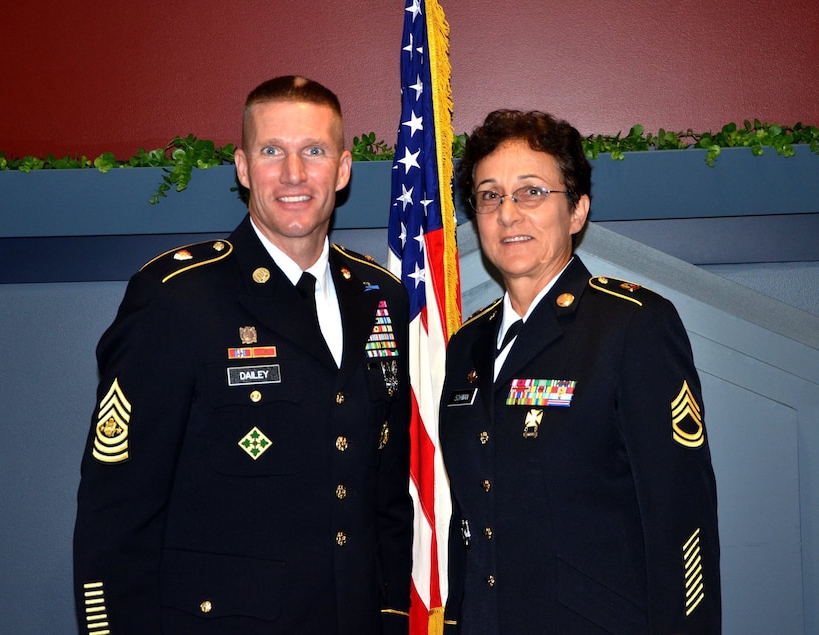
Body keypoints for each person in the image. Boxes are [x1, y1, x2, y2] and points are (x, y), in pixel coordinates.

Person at [73, 76, 413, 635]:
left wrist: (391, 614)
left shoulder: (381, 297)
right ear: (242, 167)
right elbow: (117, 514)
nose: (294, 174)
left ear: (344, 169)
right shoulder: (177, 297)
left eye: (315, 151)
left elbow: (386, 494)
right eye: (272, 151)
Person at [439, 110, 720, 634]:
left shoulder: (631, 327)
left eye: (531, 192)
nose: (508, 214)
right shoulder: (466, 346)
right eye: (490, 195)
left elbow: (681, 520)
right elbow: (471, 522)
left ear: (577, 211)